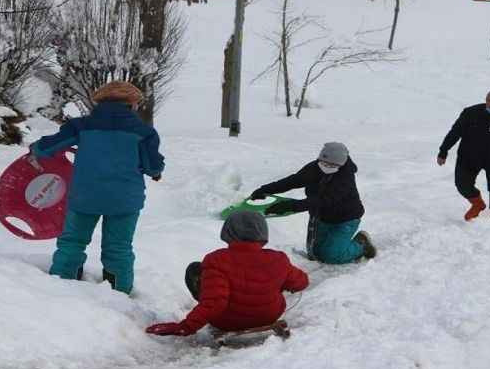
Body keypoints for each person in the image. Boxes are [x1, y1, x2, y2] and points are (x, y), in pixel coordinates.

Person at [28, 81, 164, 294]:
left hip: (85, 196)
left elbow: (48, 147)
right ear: (132, 104)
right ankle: (119, 292)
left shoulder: (82, 126)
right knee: (118, 248)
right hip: (124, 200)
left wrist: (35, 149)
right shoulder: (144, 132)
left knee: (72, 242)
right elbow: (152, 165)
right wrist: (156, 173)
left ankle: (62, 287)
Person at [145, 211, 309, 336]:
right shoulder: (278, 259)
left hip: (227, 322)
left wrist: (184, 327)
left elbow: (214, 303)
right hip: (268, 316)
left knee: (195, 269)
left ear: (228, 232)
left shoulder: (216, 260)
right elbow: (301, 283)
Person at [248, 142, 376, 264]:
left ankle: (361, 245)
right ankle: (337, 246)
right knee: (315, 254)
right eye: (323, 163)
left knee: (331, 256)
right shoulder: (314, 168)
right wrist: (265, 190)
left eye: (332, 166)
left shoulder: (345, 178)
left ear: (340, 165)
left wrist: (291, 206)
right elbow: (293, 181)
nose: (326, 167)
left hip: (345, 219)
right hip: (321, 217)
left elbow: (323, 200)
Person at [438, 89, 490, 220]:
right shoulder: (470, 113)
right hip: (470, 157)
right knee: (462, 185)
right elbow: (455, 133)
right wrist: (443, 151)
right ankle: (477, 204)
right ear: (486, 100)